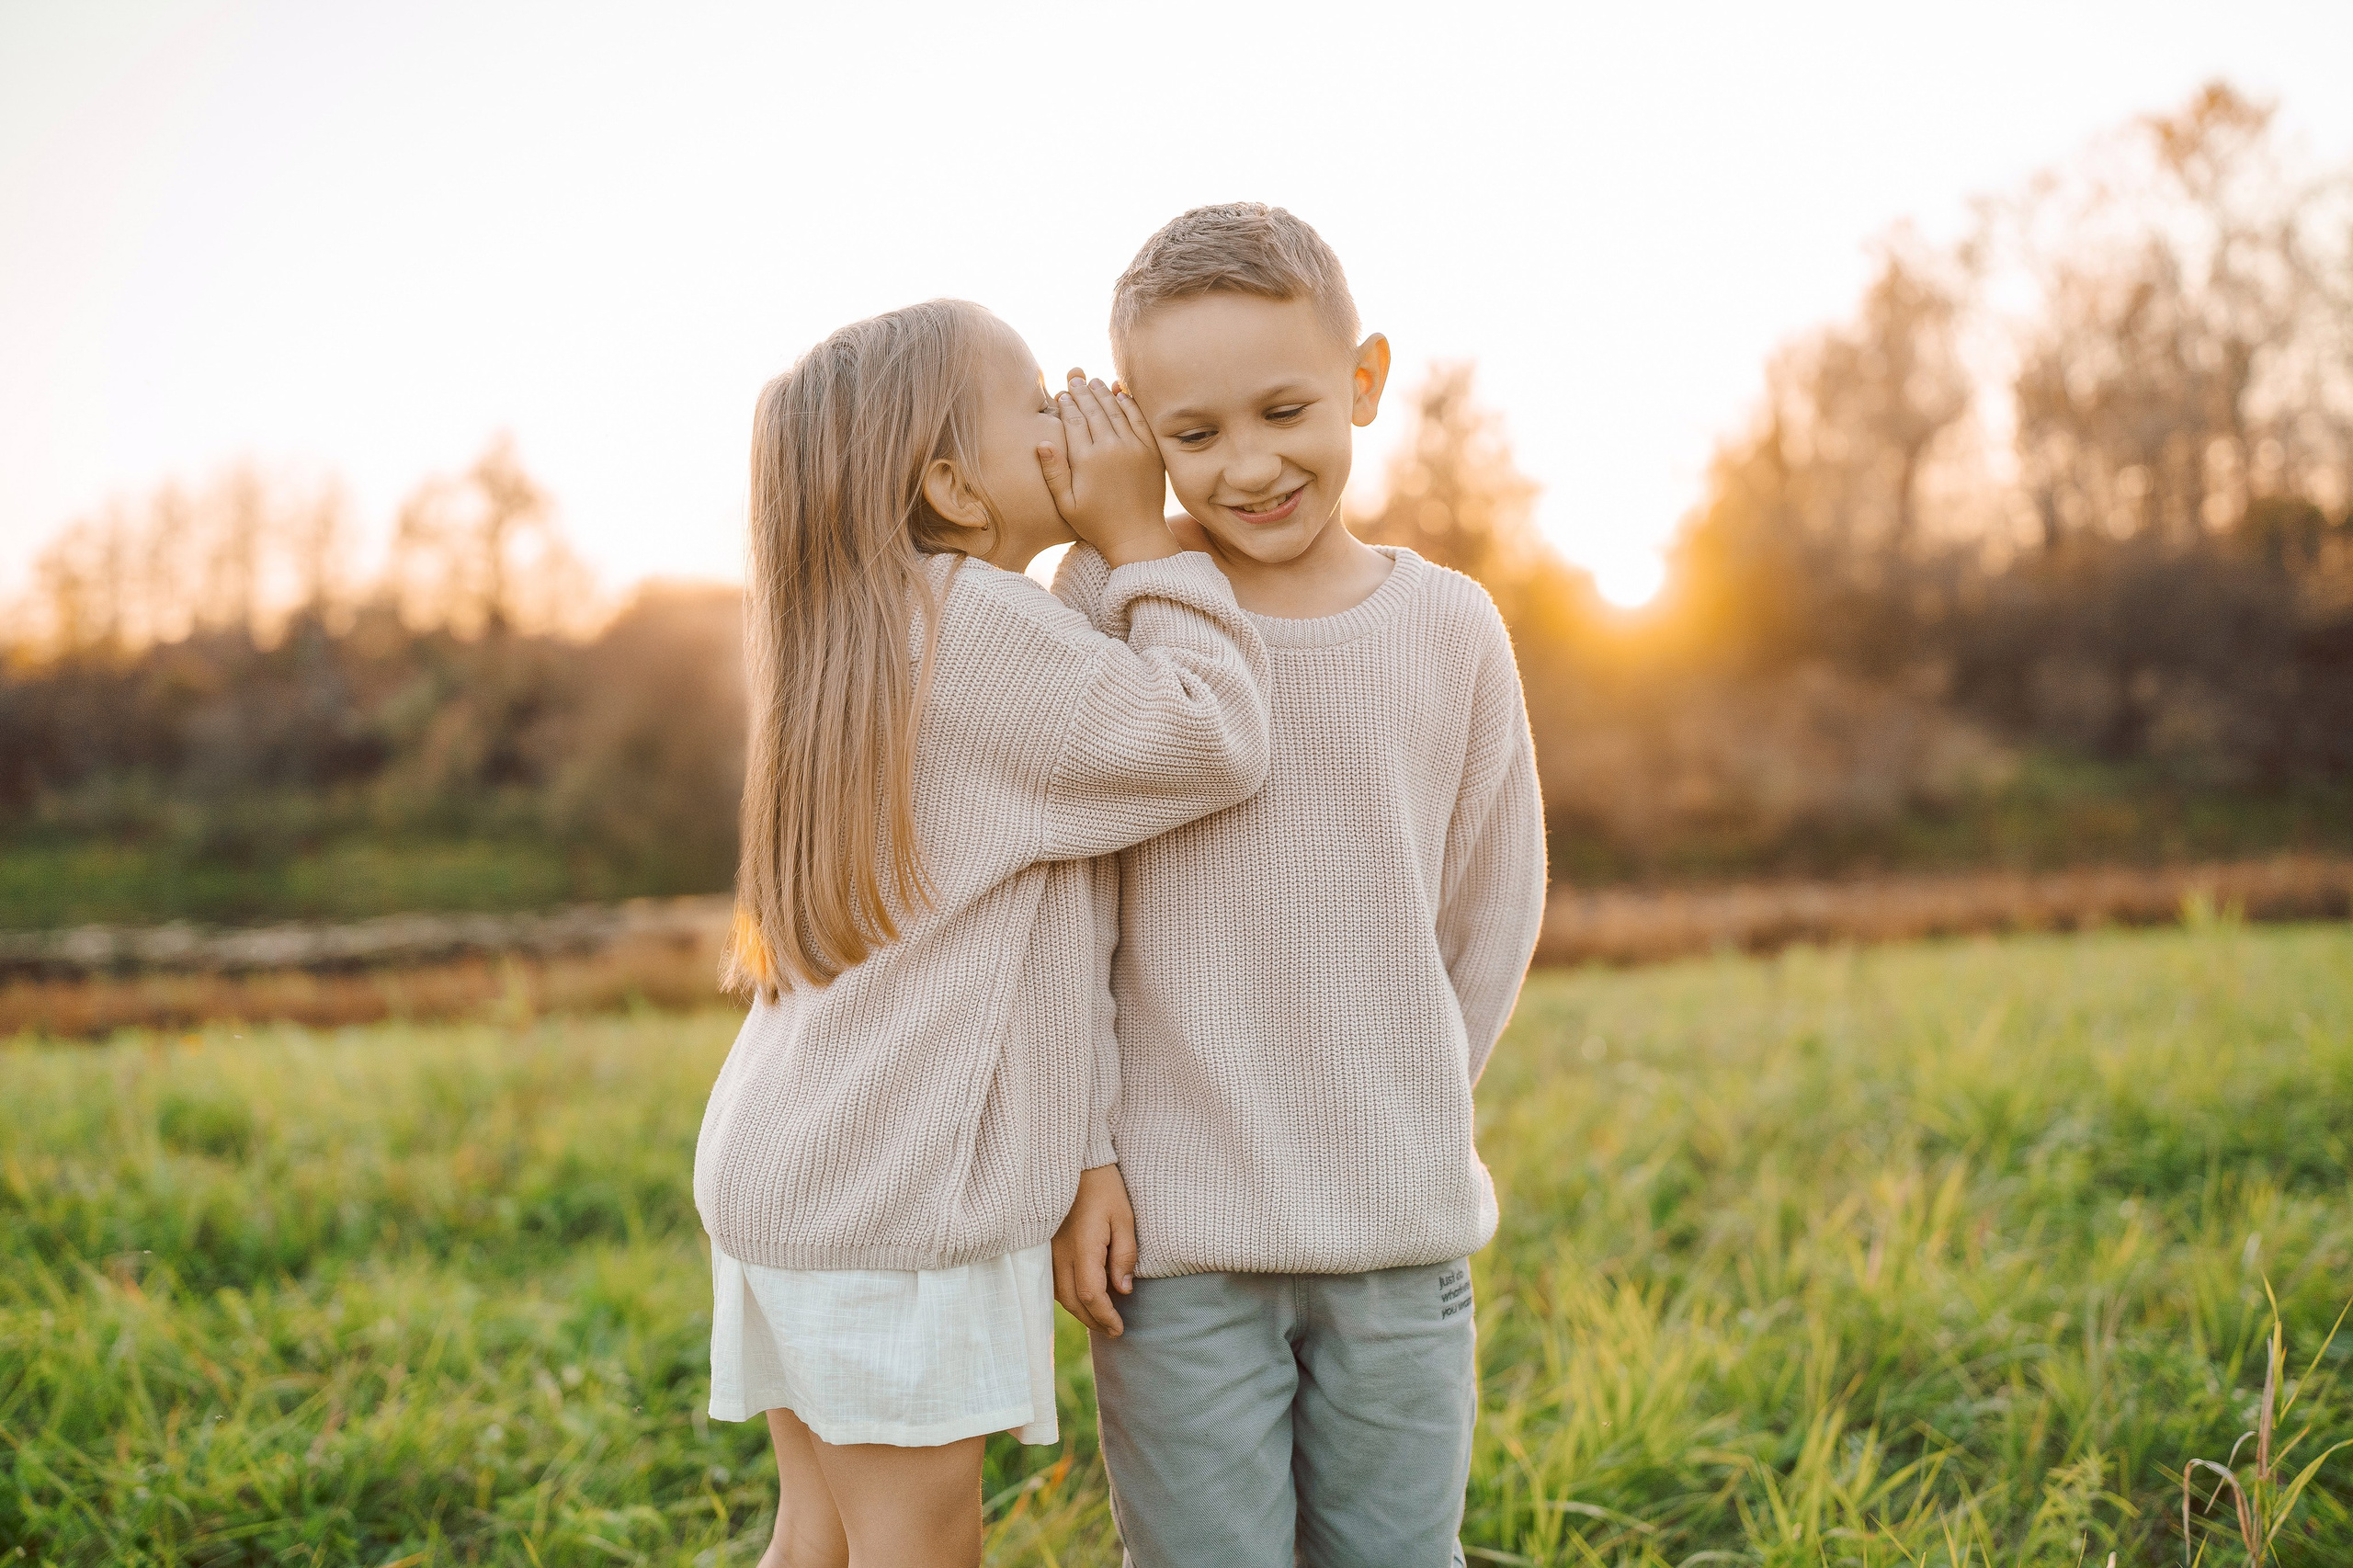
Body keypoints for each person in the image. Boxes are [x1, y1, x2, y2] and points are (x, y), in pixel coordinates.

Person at [694, 297, 1271, 1568]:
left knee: (817, 1543)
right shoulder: (980, 630)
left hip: (800, 1175)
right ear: (954, 486)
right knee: (916, 1551)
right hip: (890, 1206)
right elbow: (1209, 737)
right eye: (1038, 405)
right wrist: (1139, 534)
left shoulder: (875, 634)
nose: (1075, 409)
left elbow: (1076, 692)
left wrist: (1102, 552)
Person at [1050, 204, 1548, 1567]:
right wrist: (1088, 1151)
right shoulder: (1110, 600)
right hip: (1173, 1243)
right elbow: (1065, 916)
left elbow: (1490, 905)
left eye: (1286, 409)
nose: (1251, 465)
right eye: (1194, 435)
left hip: (1395, 1227)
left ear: (1365, 383)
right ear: (1139, 436)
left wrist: (1411, 1095)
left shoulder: (1446, 623)